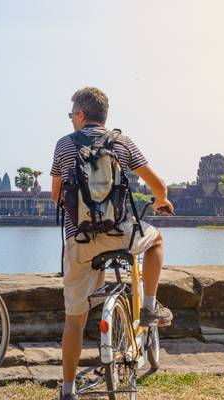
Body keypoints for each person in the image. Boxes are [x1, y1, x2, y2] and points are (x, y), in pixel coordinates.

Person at [50, 87, 174, 400]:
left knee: (74, 319)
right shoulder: (121, 141)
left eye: (71, 115)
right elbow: (159, 185)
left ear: (80, 115)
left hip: (79, 239)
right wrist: (160, 201)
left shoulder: (64, 145)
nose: (71, 120)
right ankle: (148, 307)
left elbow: (55, 195)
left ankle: (67, 390)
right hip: (121, 233)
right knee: (156, 239)